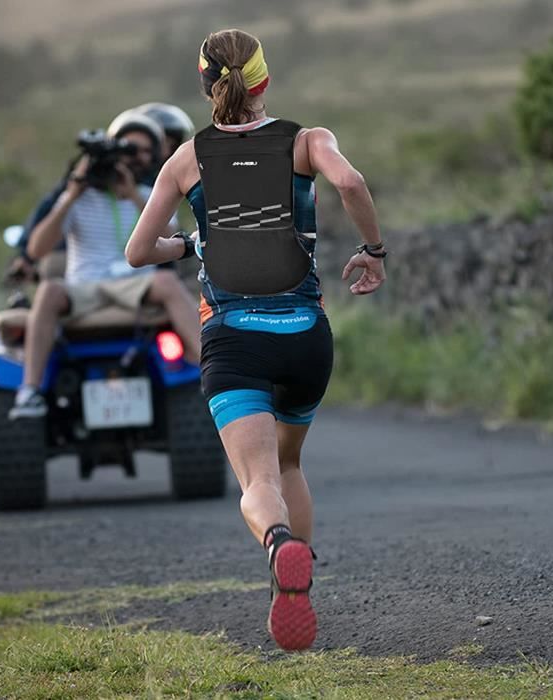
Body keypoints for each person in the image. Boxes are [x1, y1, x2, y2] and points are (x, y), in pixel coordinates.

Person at [124, 29, 386, 650]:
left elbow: (139, 252)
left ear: (205, 85)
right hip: (306, 337)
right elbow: (350, 185)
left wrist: (190, 243)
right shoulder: (307, 141)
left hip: (234, 339)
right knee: (291, 461)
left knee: (257, 483)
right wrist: (373, 251)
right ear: (263, 81)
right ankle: (291, 593)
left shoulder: (186, 159)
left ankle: (279, 545)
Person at [9, 115, 201, 419]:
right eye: (128, 150)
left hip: (134, 283)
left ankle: (212, 372)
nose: (134, 159)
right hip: (82, 285)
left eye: (143, 152)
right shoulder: (76, 199)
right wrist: (72, 194)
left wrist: (134, 195)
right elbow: (37, 249)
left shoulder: (149, 194)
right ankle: (30, 389)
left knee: (167, 283)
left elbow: (172, 237)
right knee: (47, 290)